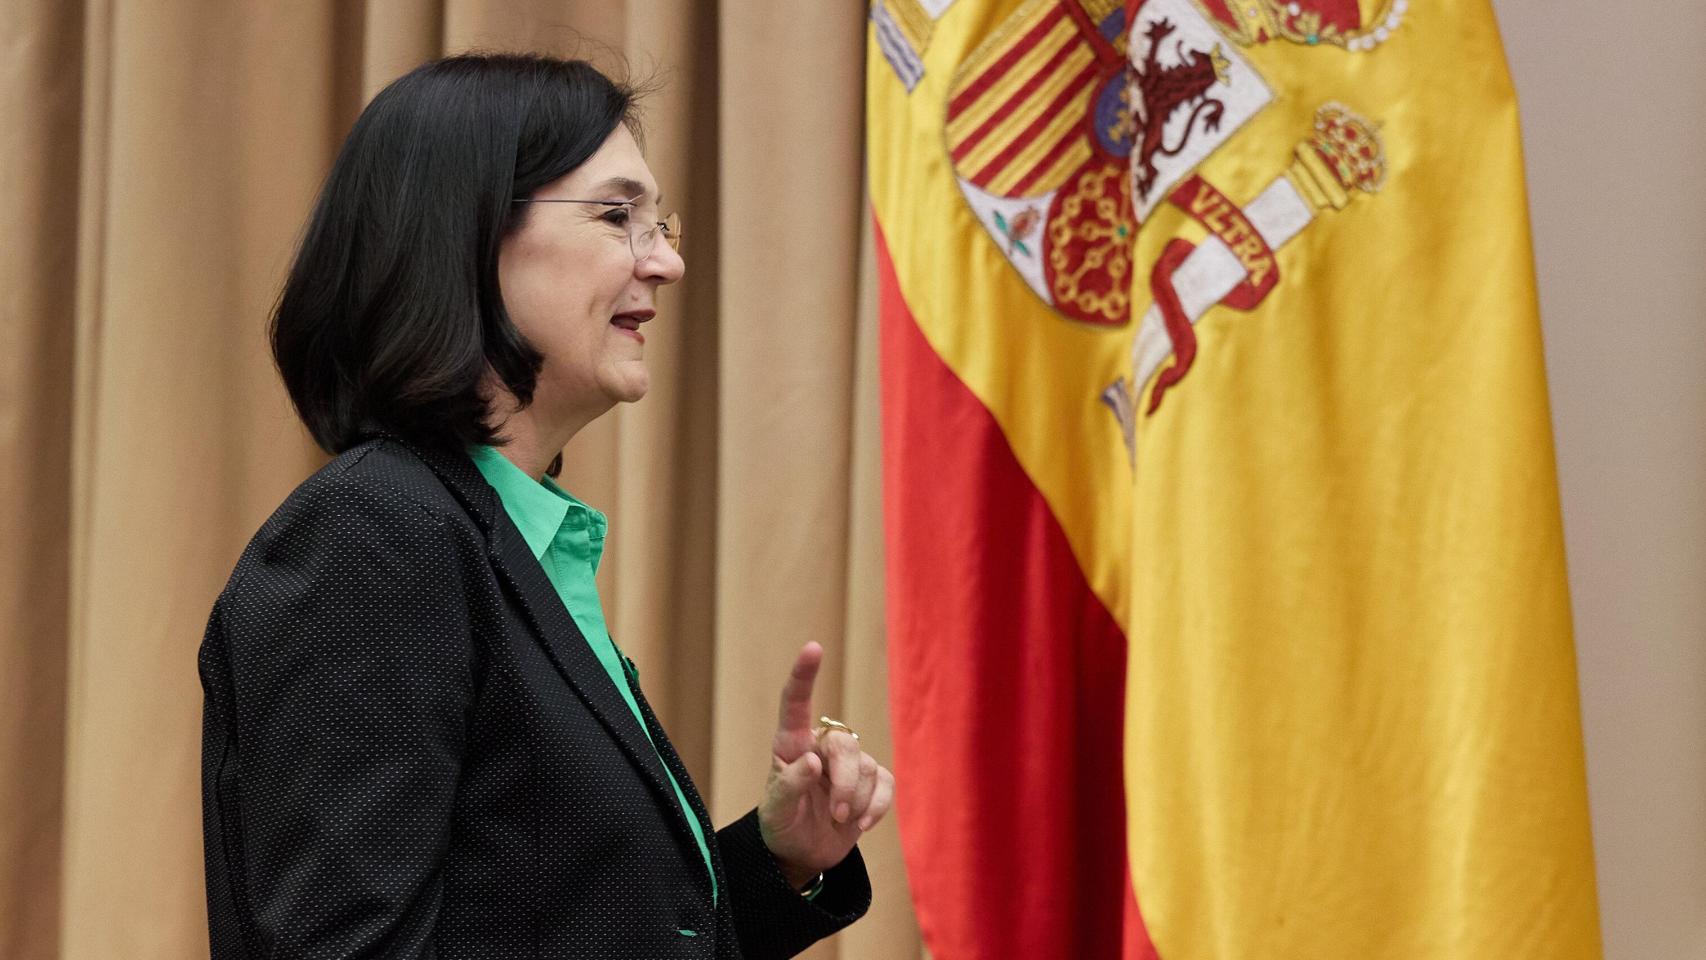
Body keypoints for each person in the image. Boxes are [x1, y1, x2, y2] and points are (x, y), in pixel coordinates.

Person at [198, 53, 893, 959]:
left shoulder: (502, 536)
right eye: (618, 216)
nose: (670, 261)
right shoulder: (374, 536)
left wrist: (775, 859)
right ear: (467, 231)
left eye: (661, 222)